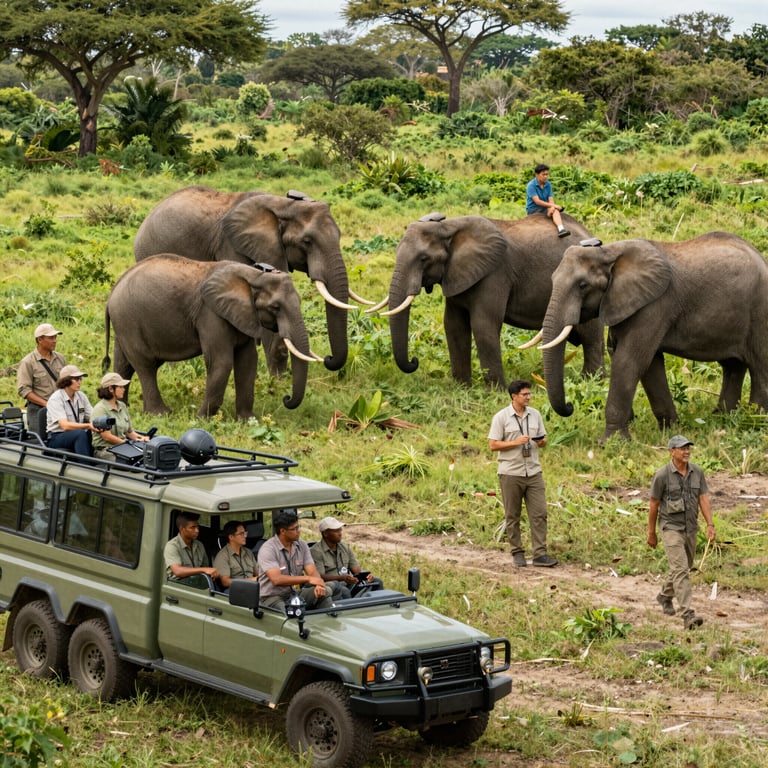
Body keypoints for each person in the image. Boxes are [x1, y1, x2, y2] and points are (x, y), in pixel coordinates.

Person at [648, 435, 716, 630]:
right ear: (672, 451)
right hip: (671, 528)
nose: (686, 451)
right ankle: (688, 614)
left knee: (684, 567)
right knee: (681, 571)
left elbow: (703, 499)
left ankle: (664, 596)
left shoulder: (697, 472)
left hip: (691, 528)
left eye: (688, 448)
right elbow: (654, 504)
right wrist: (651, 533)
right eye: (681, 448)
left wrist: (710, 524)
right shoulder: (662, 475)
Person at [488, 379, 557, 568]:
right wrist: (515, 442)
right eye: (525, 394)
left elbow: (543, 438)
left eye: (529, 394)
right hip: (511, 472)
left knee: (540, 513)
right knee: (513, 514)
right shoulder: (501, 417)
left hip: (533, 471)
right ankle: (517, 552)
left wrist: (542, 442)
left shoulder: (535, 415)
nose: (529, 397)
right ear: (514, 396)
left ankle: (540, 554)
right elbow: (493, 445)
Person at [258, 509, 333, 612]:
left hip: (294, 593)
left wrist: (318, 585)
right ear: (283, 531)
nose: (299, 531)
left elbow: (312, 571)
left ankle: (331, 619)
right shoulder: (268, 549)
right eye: (294, 529)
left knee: (325, 591)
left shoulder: (302, 545)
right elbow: (276, 579)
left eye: (298, 527)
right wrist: (307, 579)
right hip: (272, 597)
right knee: (286, 613)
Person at [312, 516, 383, 599]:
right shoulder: (316, 551)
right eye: (336, 530)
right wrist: (340, 578)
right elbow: (320, 576)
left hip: (348, 583)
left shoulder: (345, 547)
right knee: (344, 591)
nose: (340, 533)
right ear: (325, 533)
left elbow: (356, 570)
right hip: (331, 586)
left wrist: (365, 576)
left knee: (377, 582)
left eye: (340, 529)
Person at [16, 323, 67, 435]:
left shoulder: (60, 358)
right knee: (40, 446)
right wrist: (47, 404)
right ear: (40, 339)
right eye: (51, 338)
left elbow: (66, 383)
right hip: (39, 410)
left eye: (55, 337)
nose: (55, 341)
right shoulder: (28, 362)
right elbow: (24, 390)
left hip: (60, 409)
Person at [90, 372, 149, 461]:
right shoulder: (100, 409)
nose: (124, 389)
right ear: (111, 389)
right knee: (133, 462)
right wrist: (128, 444)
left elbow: (129, 432)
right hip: (106, 451)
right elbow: (107, 437)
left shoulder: (122, 406)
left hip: (123, 448)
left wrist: (140, 438)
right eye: (120, 387)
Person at [45, 365, 98, 456]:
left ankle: (100, 460)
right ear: (66, 380)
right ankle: (84, 466)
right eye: (76, 379)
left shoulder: (81, 396)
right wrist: (88, 426)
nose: (80, 382)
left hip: (76, 433)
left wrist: (100, 424)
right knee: (80, 434)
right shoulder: (56, 398)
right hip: (57, 436)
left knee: (93, 432)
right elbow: (65, 426)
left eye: (80, 379)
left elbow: (93, 416)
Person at [164, 511, 220, 580]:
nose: (197, 530)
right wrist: (204, 570)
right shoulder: (172, 546)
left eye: (197, 527)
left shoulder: (199, 545)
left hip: (198, 583)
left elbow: (206, 567)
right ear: (182, 529)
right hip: (180, 584)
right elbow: (178, 571)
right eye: (192, 527)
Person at [526, 163, 570, 238]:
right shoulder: (531, 185)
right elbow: (537, 201)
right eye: (543, 174)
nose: (546, 177)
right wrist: (553, 206)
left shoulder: (548, 184)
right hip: (534, 209)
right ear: (537, 174)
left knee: (555, 210)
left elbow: (550, 199)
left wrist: (552, 208)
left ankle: (561, 229)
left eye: (547, 174)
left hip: (545, 208)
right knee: (554, 207)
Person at [213, 520, 258, 590]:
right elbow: (225, 582)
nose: (245, 536)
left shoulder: (248, 552)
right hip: (235, 590)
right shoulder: (222, 556)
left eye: (245, 533)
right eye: (241, 534)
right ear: (231, 537)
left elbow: (258, 573)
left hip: (253, 587)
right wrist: (251, 580)